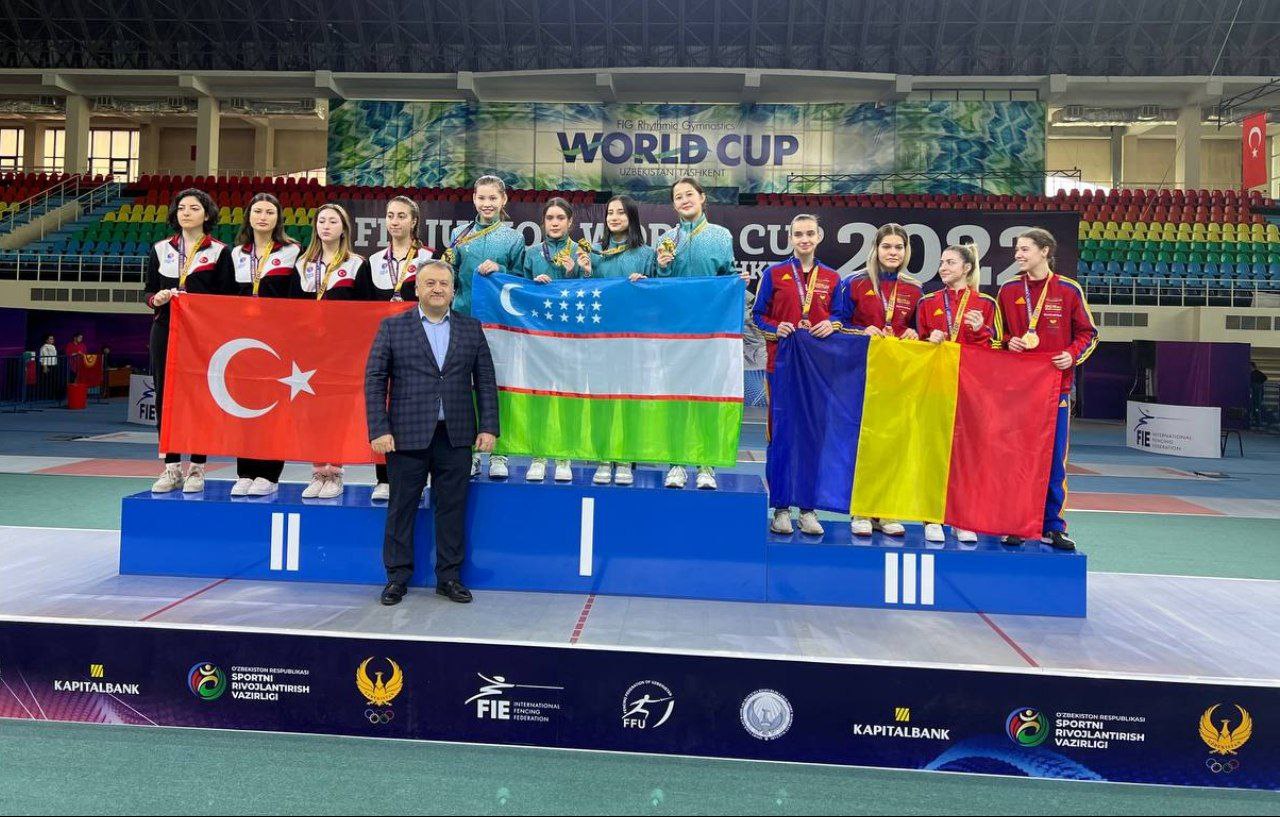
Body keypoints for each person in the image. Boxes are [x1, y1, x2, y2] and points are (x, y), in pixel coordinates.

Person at [365, 260, 500, 606]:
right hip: (404, 435)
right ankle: (397, 577)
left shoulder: (471, 328)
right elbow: (375, 381)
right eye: (430, 283)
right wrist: (379, 428)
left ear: (453, 291)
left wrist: (488, 426)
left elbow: (485, 381)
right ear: (417, 289)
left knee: (452, 509)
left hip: (456, 435)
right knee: (401, 508)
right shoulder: (392, 327)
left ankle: (449, 577)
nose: (437, 289)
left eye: (443, 283)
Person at [996, 228, 1099, 551]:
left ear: (1044, 251)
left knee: (1054, 462)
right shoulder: (1008, 290)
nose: (1018, 255)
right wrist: (1008, 342)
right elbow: (996, 336)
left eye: (1025, 249)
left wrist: (1071, 355)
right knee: (1016, 460)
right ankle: (1014, 523)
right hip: (1018, 391)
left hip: (1056, 390)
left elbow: (1089, 333)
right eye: (1017, 249)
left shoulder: (1068, 290)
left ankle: (1052, 526)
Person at [752, 214, 840, 537]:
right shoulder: (773, 274)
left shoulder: (832, 277)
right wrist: (776, 328)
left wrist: (832, 323)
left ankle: (808, 509)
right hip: (782, 367)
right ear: (790, 238)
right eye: (798, 234)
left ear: (819, 236)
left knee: (813, 438)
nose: (804, 239)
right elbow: (757, 315)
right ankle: (780, 509)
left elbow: (841, 316)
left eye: (809, 234)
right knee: (782, 437)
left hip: (818, 370)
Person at [832, 223, 922, 538]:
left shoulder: (915, 289)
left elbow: (919, 330)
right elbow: (837, 322)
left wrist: (914, 333)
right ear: (876, 248)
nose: (893, 252)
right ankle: (860, 509)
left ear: (906, 251)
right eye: (887, 246)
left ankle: (886, 510)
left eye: (899, 247)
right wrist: (861, 330)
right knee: (862, 442)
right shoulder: (854, 282)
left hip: (895, 378)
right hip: (860, 374)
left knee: (890, 443)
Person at [654, 177, 744, 490]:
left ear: (702, 197)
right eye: (678, 196)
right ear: (673, 204)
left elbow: (726, 277)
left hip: (710, 334)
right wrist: (662, 267)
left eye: (689, 194)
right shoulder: (666, 239)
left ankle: (706, 465)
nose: (684, 200)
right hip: (676, 334)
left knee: (708, 399)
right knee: (676, 401)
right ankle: (676, 464)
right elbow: (659, 287)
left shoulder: (721, 236)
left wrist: (736, 282)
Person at [144, 188, 234, 494]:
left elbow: (226, 299)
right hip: (165, 330)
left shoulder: (220, 252)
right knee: (165, 397)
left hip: (202, 336)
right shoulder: (160, 249)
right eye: (182, 208)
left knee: (199, 399)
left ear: (206, 215)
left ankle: (197, 467)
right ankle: (171, 467)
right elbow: (148, 291)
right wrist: (156, 298)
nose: (186, 212)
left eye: (194, 208)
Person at [917, 243, 1000, 543]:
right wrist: (928, 339)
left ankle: (961, 518)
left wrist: (981, 331)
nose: (943, 267)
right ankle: (931, 518)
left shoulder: (986, 304)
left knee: (966, 456)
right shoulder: (927, 302)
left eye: (950, 262)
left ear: (966, 268)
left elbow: (997, 349)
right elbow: (915, 347)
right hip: (936, 389)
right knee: (934, 454)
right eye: (942, 262)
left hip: (970, 392)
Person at [444, 174, 525, 480]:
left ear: (503, 200)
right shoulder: (459, 234)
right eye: (482, 198)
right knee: (465, 387)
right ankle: (472, 452)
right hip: (463, 318)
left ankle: (500, 453)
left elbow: (521, 279)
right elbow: (450, 274)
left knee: (499, 385)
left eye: (493, 198)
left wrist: (500, 269)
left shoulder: (514, 238)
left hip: (500, 322)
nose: (487, 203)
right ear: (474, 199)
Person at [359, 195, 436, 501]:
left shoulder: (430, 258)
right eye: (390, 215)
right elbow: (361, 310)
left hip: (421, 346)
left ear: (414, 221)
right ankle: (384, 477)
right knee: (384, 407)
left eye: (402, 216)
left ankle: (421, 476)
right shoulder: (373, 262)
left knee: (417, 410)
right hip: (385, 345)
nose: (395, 221)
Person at [292, 202, 368, 499]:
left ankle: (334, 472)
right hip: (308, 351)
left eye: (333, 221)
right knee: (312, 413)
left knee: (337, 413)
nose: (326, 226)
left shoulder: (357, 265)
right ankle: (317, 471)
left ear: (344, 229)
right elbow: (289, 308)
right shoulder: (302, 264)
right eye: (321, 220)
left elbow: (364, 311)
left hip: (342, 352)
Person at [578, 194, 655, 486]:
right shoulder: (595, 253)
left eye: (620, 212)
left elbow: (658, 296)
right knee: (602, 400)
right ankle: (603, 456)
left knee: (629, 401)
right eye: (610, 212)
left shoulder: (646, 255)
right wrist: (586, 273)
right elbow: (586, 296)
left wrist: (647, 284)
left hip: (633, 341)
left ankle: (625, 457)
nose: (614, 217)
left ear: (631, 217)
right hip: (601, 341)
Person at [228, 192, 301, 497]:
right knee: (244, 407)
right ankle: (245, 471)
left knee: (273, 409)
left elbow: (298, 299)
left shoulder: (292, 252)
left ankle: (269, 474)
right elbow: (223, 299)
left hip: (277, 343)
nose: (263, 217)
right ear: (248, 216)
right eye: (257, 211)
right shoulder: (235, 254)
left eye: (270, 212)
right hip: (242, 343)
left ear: (278, 218)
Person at [520, 196, 588, 483]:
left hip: (572, 338)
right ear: (543, 222)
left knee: (569, 397)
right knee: (539, 398)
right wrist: (532, 286)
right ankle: (538, 456)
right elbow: (517, 292)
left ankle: (564, 456)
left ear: (570, 222)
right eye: (550, 218)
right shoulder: (532, 254)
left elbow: (592, 294)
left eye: (561, 218)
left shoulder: (583, 252)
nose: (555, 223)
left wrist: (575, 273)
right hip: (538, 339)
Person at [1251, 361, 1268, 427]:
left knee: (1256, 407)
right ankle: (1256, 421)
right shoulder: (1254, 373)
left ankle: (1257, 422)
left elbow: (1265, 378)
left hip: (1256, 394)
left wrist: (1258, 384)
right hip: (1255, 394)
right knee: (1256, 407)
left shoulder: (1256, 373)